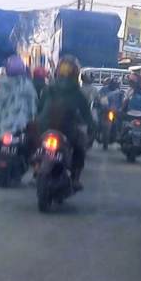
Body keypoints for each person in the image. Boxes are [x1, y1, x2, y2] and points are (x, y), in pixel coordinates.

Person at [34, 55, 95, 190]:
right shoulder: (77, 93)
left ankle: (36, 166)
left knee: (36, 142)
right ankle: (75, 178)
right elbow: (87, 116)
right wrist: (92, 128)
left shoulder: (48, 89)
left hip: (44, 128)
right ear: (76, 74)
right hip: (67, 130)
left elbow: (39, 110)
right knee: (80, 147)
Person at [0, 56, 38, 148]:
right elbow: (33, 111)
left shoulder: (0, 84)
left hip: (0, 132)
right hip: (20, 131)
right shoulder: (28, 86)